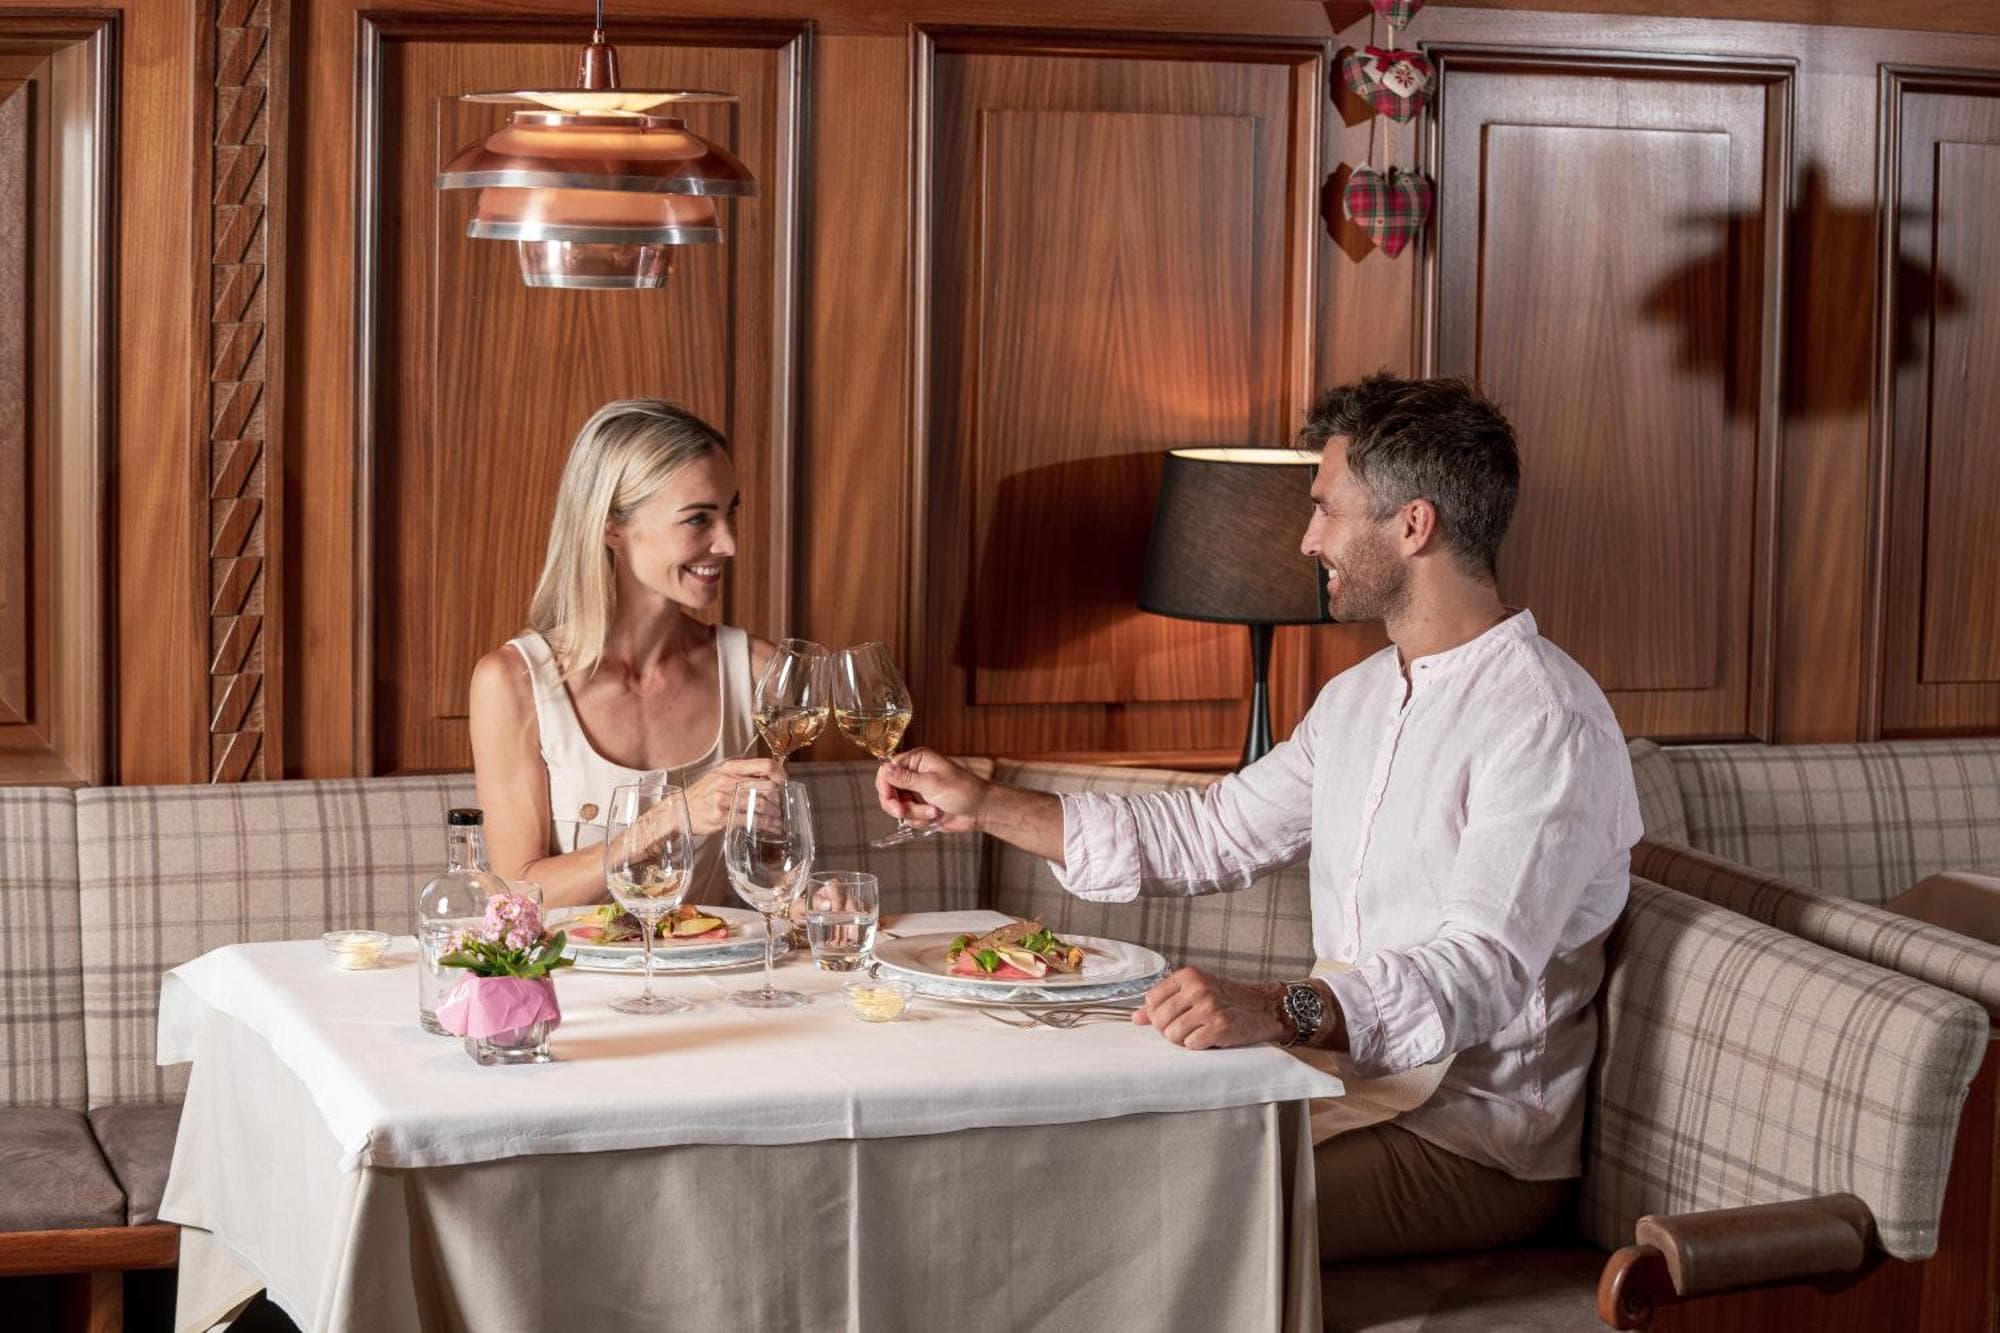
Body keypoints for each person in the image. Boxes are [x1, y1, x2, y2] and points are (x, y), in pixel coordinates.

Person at [874, 374, 1641, 1262]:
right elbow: (1210, 832)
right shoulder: (1358, 697)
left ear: (1413, 525)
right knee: (1070, 1155)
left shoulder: (1546, 719)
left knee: (1155, 1216)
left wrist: (1279, 1007)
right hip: (1336, 1081)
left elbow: (1479, 969)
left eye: (1325, 509)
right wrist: (984, 803)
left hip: (1473, 1140)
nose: (1309, 539)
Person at [470, 399, 784, 909]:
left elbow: (767, 870)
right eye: (697, 519)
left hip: (717, 960)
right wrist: (670, 818)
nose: (728, 543)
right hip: (568, 963)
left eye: (730, 512)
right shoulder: (512, 682)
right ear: (611, 527)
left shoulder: (756, 671)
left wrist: (808, 901)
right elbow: (516, 895)